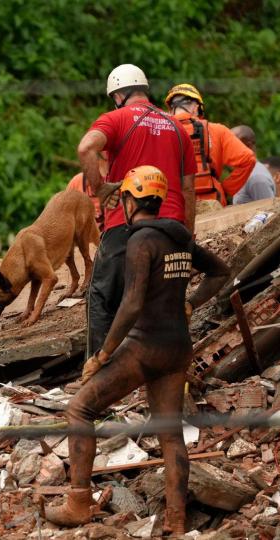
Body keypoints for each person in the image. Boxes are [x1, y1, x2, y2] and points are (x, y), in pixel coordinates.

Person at [44, 166, 230, 535]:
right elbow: (222, 272)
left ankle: (78, 503)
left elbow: (130, 305)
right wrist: (191, 303)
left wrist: (101, 354)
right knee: (171, 434)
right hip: (178, 347)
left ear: (130, 200)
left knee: (79, 409)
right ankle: (176, 522)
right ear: (157, 201)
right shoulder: (179, 238)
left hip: (145, 347)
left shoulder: (140, 242)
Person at [77, 64, 196, 356]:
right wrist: (187, 237)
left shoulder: (115, 119)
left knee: (103, 297)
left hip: (126, 224)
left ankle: (99, 372)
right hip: (171, 227)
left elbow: (85, 149)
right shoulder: (177, 127)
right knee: (162, 302)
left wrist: (102, 188)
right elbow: (189, 189)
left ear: (118, 95)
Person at [166, 84, 256, 206]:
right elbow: (248, 159)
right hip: (213, 201)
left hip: (176, 204)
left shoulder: (160, 133)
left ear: (170, 111)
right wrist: (225, 189)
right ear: (196, 108)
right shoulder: (217, 130)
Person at [229, 125, 276, 204]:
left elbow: (268, 213)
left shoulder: (257, 178)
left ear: (248, 146)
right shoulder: (245, 173)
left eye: (230, 144)